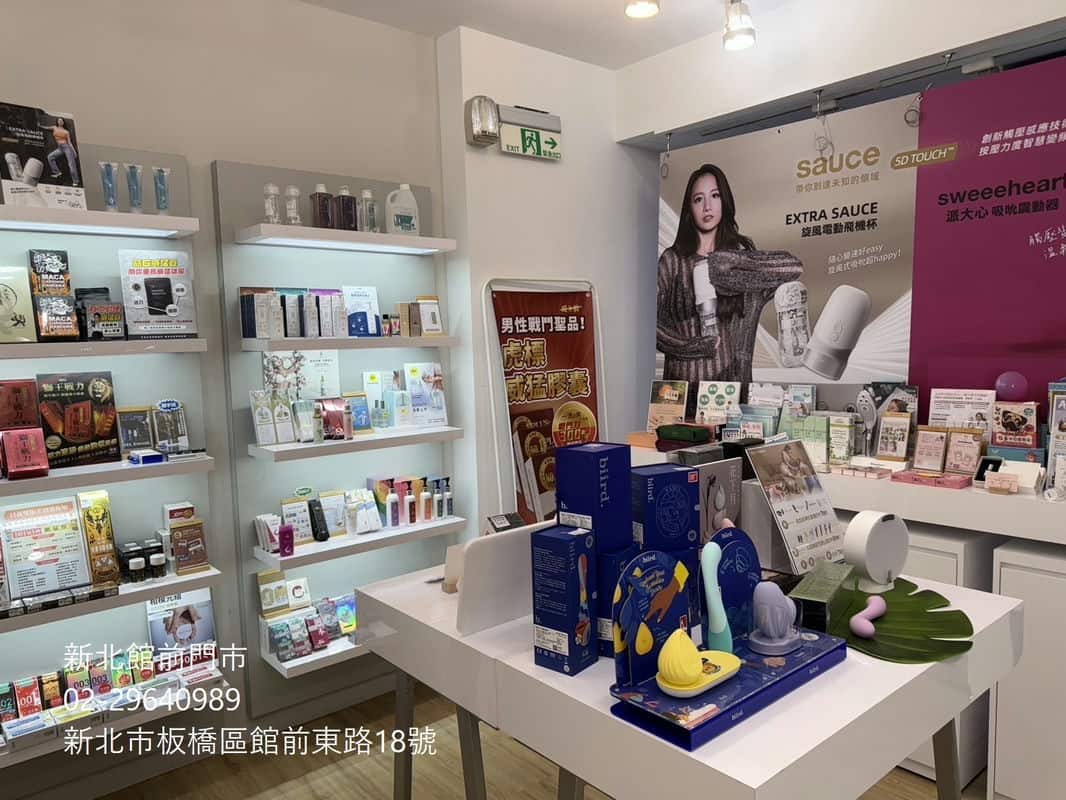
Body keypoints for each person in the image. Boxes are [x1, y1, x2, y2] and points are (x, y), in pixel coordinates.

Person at [657, 164, 803, 415]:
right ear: (689, 209)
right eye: (698, 199)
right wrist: (692, 346)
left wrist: (727, 262)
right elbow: (651, 325)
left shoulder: (737, 264)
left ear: (724, 201)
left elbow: (793, 267)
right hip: (682, 394)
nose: (707, 207)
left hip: (732, 392)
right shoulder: (673, 261)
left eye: (714, 196)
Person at [41, 117, 80, 186]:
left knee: (71, 165)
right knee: (50, 157)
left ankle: (76, 181)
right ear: (57, 122)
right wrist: (40, 126)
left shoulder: (66, 132)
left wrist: (74, 152)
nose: (60, 122)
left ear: (63, 122)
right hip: (60, 148)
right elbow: (47, 128)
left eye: (61, 121)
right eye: (59, 120)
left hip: (67, 148)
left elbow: (69, 143)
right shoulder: (54, 127)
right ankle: (57, 172)